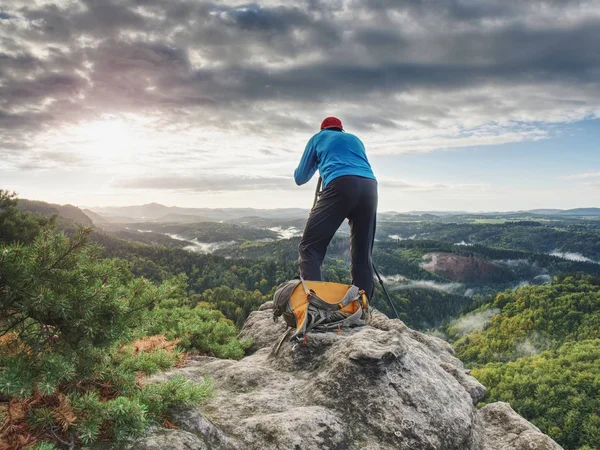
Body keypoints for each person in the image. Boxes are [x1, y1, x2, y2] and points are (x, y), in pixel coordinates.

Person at [294, 116, 378, 299]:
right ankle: (362, 305)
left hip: (340, 184)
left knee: (310, 247)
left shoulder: (318, 138)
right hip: (370, 186)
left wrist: (317, 161)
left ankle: (314, 304)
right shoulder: (355, 139)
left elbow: (299, 178)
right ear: (341, 129)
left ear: (323, 128)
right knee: (362, 254)